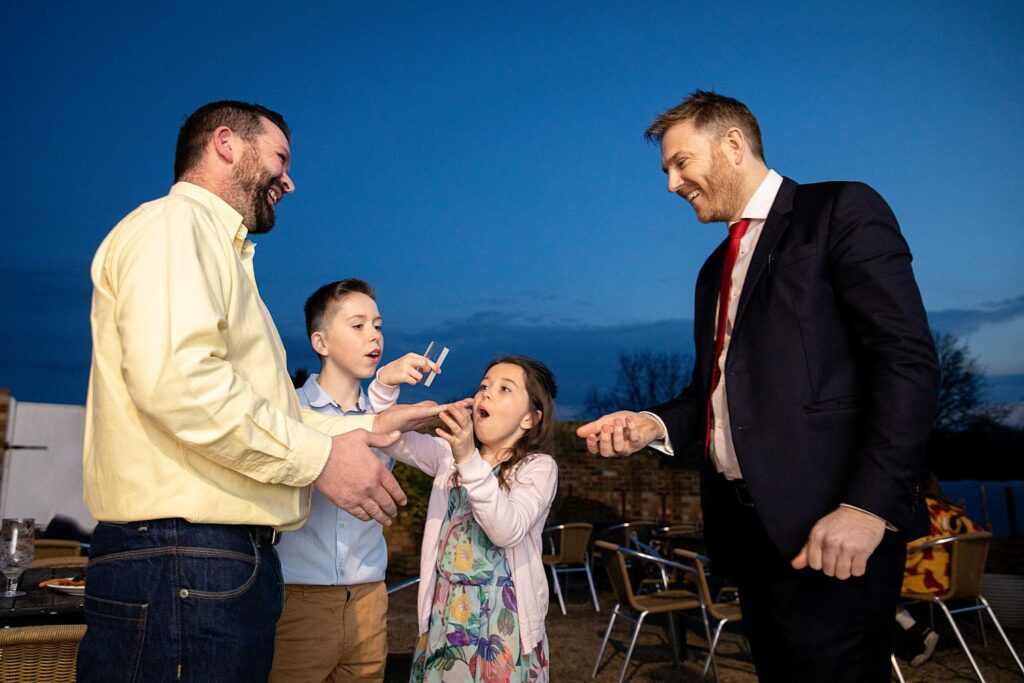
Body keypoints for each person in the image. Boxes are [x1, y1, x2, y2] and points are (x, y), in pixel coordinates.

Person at [79, 101, 450, 682]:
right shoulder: (177, 228)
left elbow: (261, 407)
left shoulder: (215, 252)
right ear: (226, 144)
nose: (289, 180)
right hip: (183, 559)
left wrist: (366, 430)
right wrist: (321, 458)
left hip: (207, 562)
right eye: (280, 158)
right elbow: (180, 383)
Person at [578, 91, 940, 681]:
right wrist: (653, 425)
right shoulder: (710, 273)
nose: (671, 184)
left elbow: (906, 362)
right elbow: (712, 395)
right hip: (748, 535)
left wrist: (867, 507)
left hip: (833, 526)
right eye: (666, 170)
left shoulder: (840, 210)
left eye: (681, 163)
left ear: (733, 144)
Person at [271, 278, 441, 682]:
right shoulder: (285, 411)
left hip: (369, 597)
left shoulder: (390, 418)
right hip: (297, 598)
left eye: (378, 325)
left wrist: (386, 388)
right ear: (321, 343)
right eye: (358, 325)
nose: (374, 336)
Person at [382, 356, 558, 682]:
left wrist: (467, 457)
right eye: (484, 386)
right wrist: (386, 386)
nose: (486, 394)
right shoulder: (447, 457)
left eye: (505, 389)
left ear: (530, 419)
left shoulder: (537, 468)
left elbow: (507, 530)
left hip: (504, 621)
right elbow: (389, 436)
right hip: (446, 613)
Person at [896, 473, 982, 666]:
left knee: (875, 589)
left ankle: (916, 631)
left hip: (920, 581)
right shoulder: (952, 512)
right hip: (954, 581)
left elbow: (908, 546)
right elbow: (979, 534)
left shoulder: (917, 512)